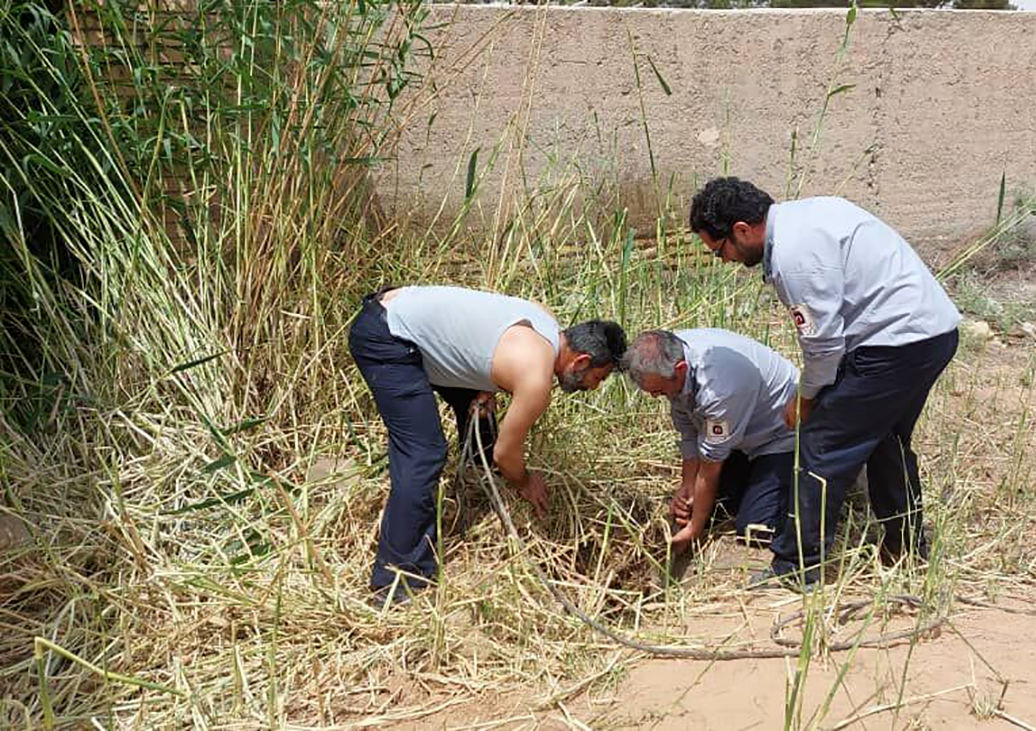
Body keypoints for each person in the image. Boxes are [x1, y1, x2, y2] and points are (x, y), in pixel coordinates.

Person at [689, 177, 961, 588]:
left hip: (894, 343)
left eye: (719, 249)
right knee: (884, 439)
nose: (723, 259)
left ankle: (797, 566)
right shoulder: (806, 217)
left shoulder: (794, 257)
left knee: (820, 446)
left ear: (742, 230)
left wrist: (806, 398)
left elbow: (823, 345)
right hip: (928, 334)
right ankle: (905, 549)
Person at [348, 285, 626, 603]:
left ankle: (477, 489)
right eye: (598, 378)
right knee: (423, 453)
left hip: (397, 311)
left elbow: (485, 337)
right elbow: (506, 454)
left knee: (479, 410)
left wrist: (485, 380)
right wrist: (524, 481)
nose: (593, 387)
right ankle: (397, 582)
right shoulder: (536, 379)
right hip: (388, 338)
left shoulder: (545, 322)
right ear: (580, 362)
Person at [623, 329, 798, 551]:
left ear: (680, 370)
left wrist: (695, 529)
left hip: (779, 435)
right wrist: (687, 485)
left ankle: (800, 481)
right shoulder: (671, 352)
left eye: (659, 391)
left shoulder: (719, 391)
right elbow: (688, 431)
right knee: (712, 504)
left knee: (755, 529)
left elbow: (710, 467)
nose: (656, 397)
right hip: (739, 434)